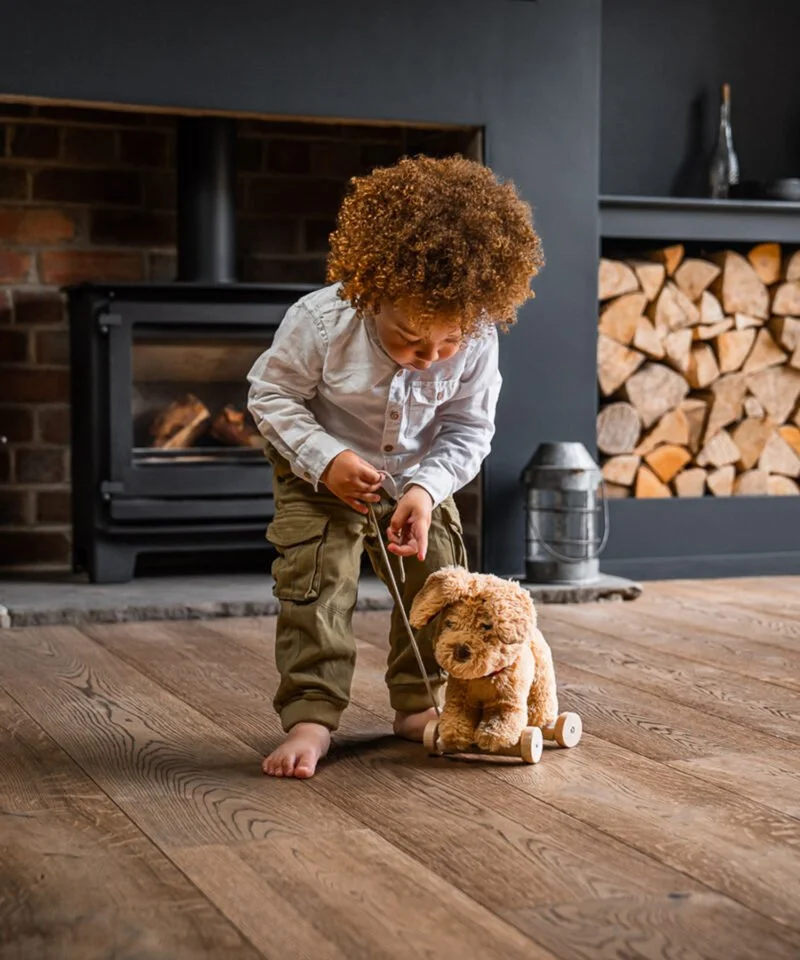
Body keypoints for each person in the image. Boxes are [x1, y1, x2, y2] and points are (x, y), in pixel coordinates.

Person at [247, 154, 542, 778]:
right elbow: (270, 396)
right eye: (410, 337)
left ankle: (424, 702)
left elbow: (469, 428)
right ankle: (311, 716)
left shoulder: (478, 334)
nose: (429, 358)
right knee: (317, 582)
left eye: (448, 343)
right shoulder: (321, 322)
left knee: (441, 581)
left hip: (416, 477)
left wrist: (427, 490)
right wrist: (327, 461)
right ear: (371, 290)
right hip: (319, 475)